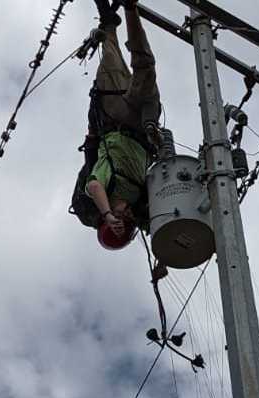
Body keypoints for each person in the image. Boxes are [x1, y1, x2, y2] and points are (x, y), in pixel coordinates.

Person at [81, 0, 164, 250]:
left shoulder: (105, 187)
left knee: (111, 58)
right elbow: (163, 223)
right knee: (146, 67)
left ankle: (109, 25)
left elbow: (93, 186)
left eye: (122, 218)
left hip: (115, 118)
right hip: (142, 125)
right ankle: (130, 8)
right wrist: (162, 259)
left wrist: (107, 214)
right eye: (129, 221)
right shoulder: (139, 204)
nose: (127, 215)